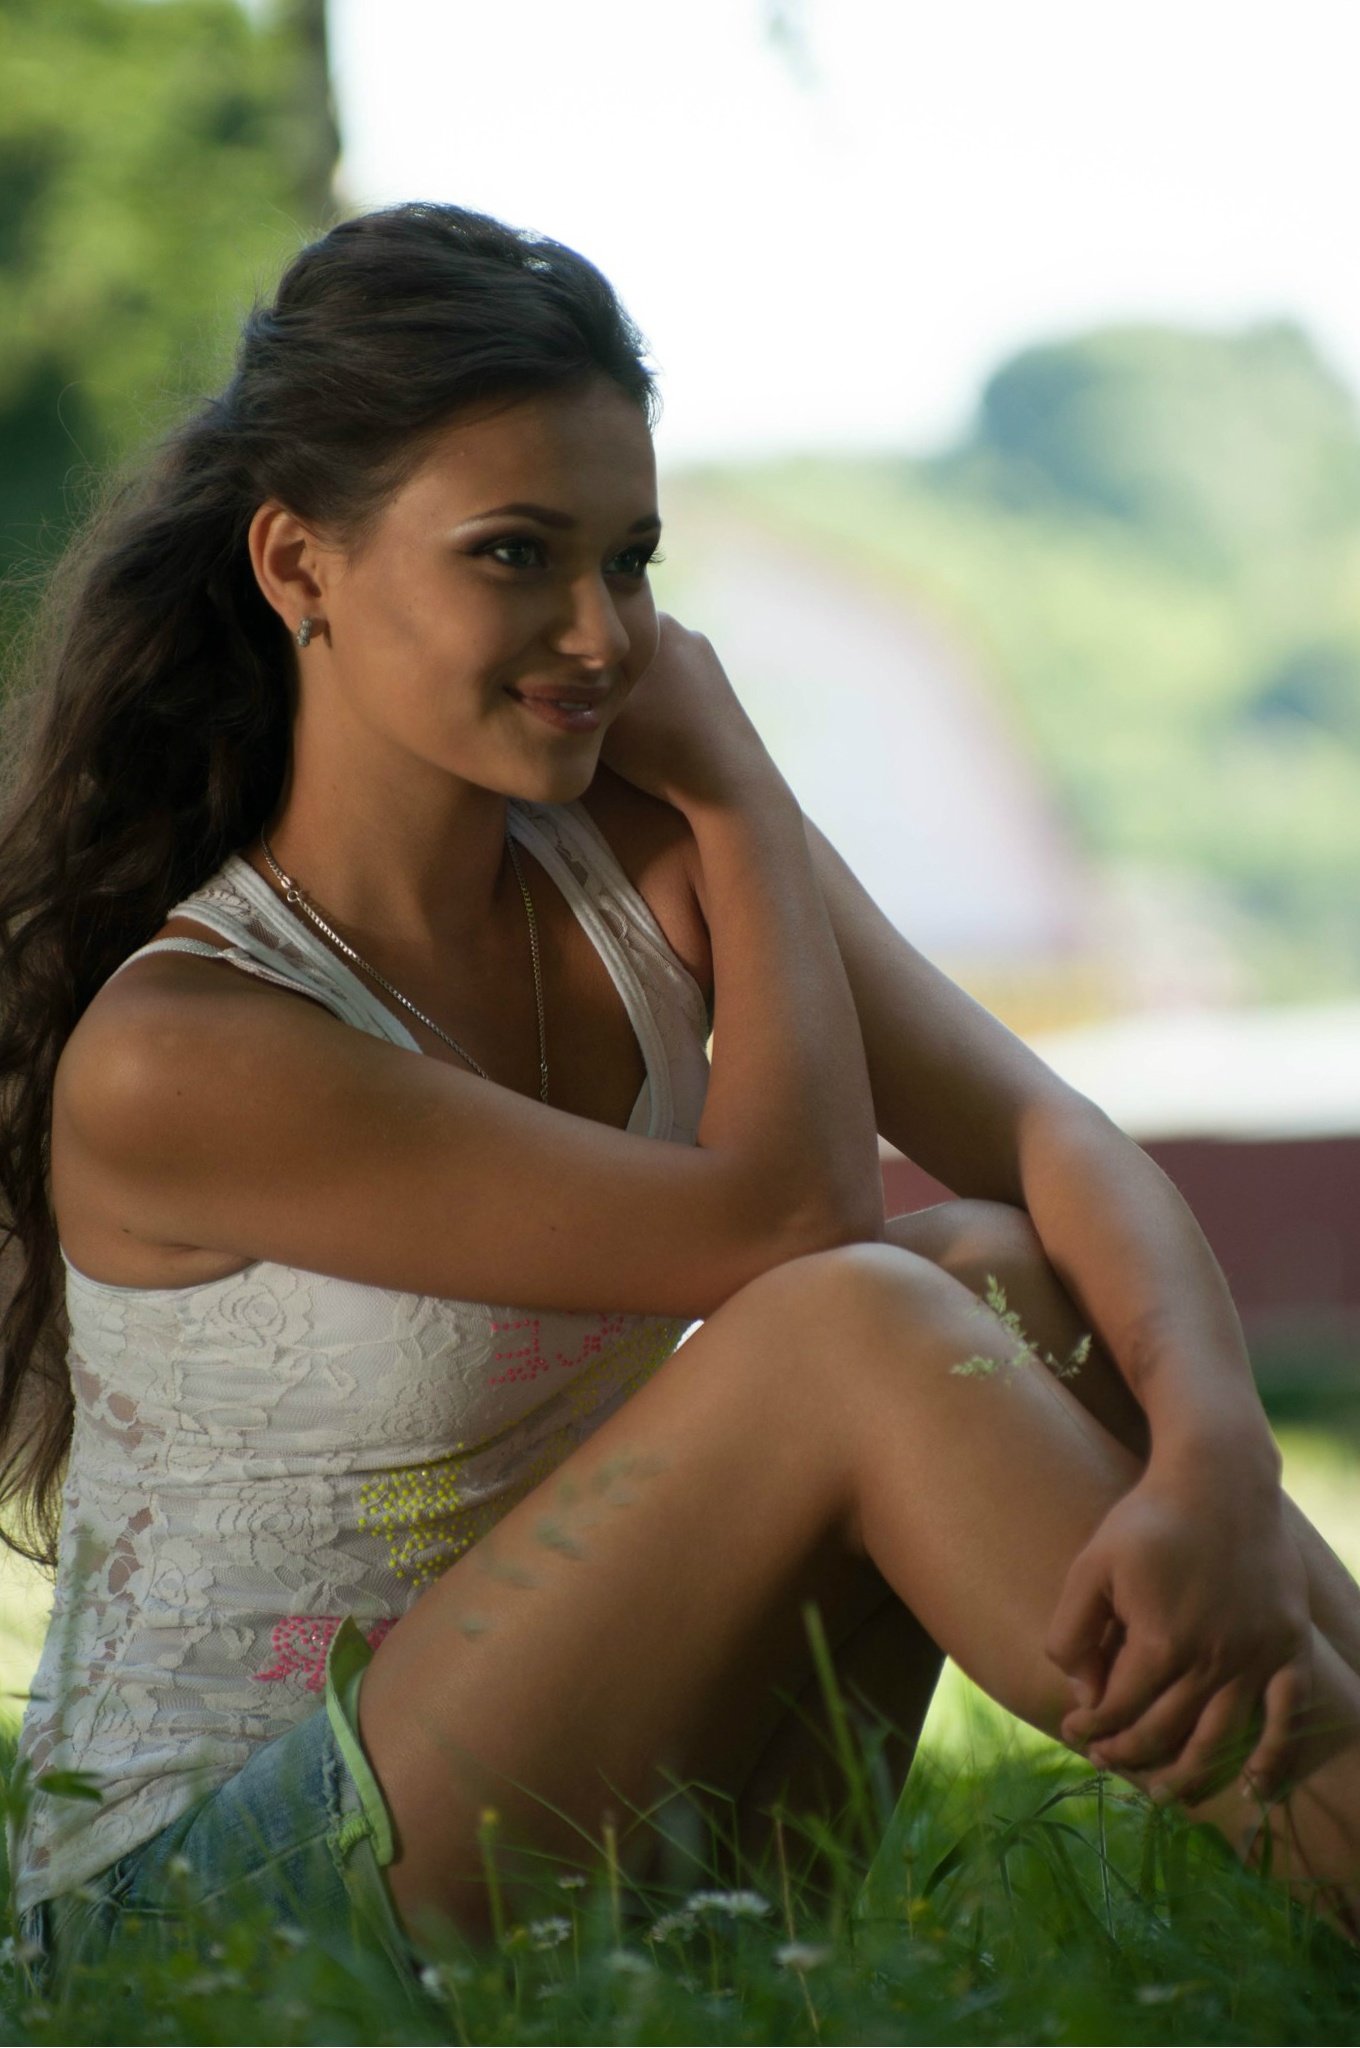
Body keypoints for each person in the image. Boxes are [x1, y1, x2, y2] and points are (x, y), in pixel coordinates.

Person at [1, 202, 1357, 1997]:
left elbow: (1049, 1135)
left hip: (584, 1794)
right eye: (514, 554)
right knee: (867, 1317)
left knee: (988, 1273)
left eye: (629, 561)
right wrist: (737, 789)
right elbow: (795, 1230)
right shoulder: (190, 1046)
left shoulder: (621, 860)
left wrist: (1218, 1456)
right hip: (203, 1903)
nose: (602, 633)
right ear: (298, 564)